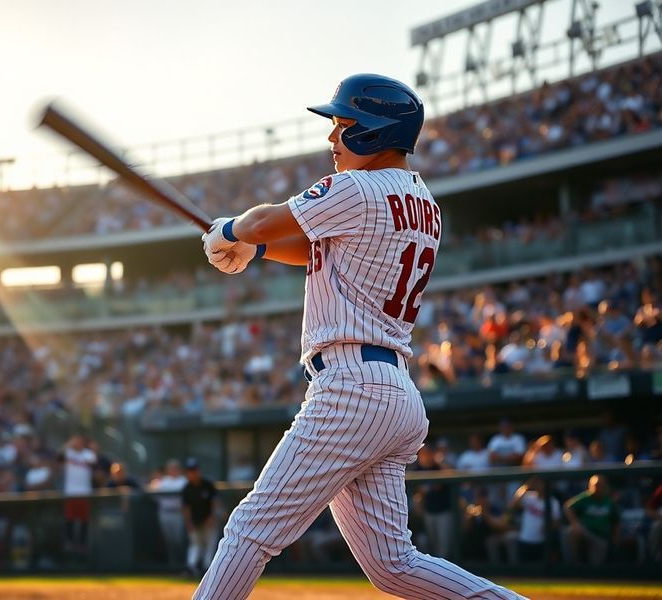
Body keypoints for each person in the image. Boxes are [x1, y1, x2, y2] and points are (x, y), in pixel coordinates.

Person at [197, 74, 522, 599]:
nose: (332, 139)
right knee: (393, 565)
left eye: (343, 126)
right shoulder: (423, 203)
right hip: (392, 391)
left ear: (376, 132)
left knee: (248, 531)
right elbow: (315, 250)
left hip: (352, 387)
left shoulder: (358, 187)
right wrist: (251, 250)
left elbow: (263, 221)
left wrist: (231, 231)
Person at [562, 474, 619, 565]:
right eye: (594, 485)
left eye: (600, 485)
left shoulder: (609, 501)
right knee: (570, 531)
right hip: (586, 532)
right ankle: (572, 564)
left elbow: (616, 521)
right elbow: (567, 507)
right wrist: (575, 523)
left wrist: (615, 537)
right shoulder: (586, 497)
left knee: (596, 567)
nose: (597, 488)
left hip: (601, 537)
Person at [58, 434, 97, 554]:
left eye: (79, 440)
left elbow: (93, 462)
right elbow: (59, 457)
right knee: (69, 519)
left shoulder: (88, 453)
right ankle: (69, 543)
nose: (77, 442)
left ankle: (82, 545)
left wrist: (92, 448)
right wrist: (68, 445)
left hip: (85, 492)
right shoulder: (68, 452)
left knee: (84, 520)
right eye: (75, 440)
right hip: (71, 492)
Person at [181, 458, 218, 577]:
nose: (193, 473)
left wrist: (212, 516)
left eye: (194, 470)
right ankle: (191, 567)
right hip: (195, 520)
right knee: (196, 543)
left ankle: (207, 568)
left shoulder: (207, 484)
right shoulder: (186, 488)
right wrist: (188, 522)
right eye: (190, 471)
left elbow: (214, 502)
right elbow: (185, 507)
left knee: (209, 544)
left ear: (199, 470)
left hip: (208, 519)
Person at [148, 459, 188, 567]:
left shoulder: (184, 481)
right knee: (168, 539)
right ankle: (172, 563)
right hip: (164, 512)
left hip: (178, 513)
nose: (173, 470)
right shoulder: (163, 481)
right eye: (171, 468)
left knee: (178, 539)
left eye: (175, 468)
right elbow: (150, 490)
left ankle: (182, 563)